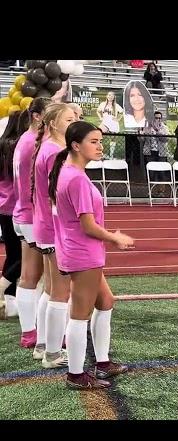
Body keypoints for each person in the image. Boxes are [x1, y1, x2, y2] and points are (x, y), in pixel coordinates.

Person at [49, 121, 134, 389]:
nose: (100, 146)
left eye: (100, 141)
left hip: (80, 251)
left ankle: (103, 362)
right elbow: (87, 225)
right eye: (94, 142)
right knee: (79, 314)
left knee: (106, 301)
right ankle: (75, 375)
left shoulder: (69, 173)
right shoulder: (75, 178)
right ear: (76, 145)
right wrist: (114, 237)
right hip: (83, 253)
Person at [31, 103, 76, 367]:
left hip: (44, 225)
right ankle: (52, 353)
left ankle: (42, 345)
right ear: (53, 124)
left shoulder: (47, 147)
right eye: (69, 119)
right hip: (54, 228)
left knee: (49, 290)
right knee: (60, 292)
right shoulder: (56, 151)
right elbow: (58, 195)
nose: (75, 122)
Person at [12, 97, 51, 348]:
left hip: (23, 212)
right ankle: (42, 335)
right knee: (45, 278)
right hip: (32, 214)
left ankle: (30, 332)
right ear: (37, 116)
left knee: (30, 276)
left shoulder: (24, 141)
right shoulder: (34, 143)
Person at [0, 111, 25, 319]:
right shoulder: (18, 146)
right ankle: (2, 289)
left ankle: (9, 301)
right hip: (15, 206)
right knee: (24, 256)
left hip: (3, 205)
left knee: (12, 254)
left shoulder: (2, 144)